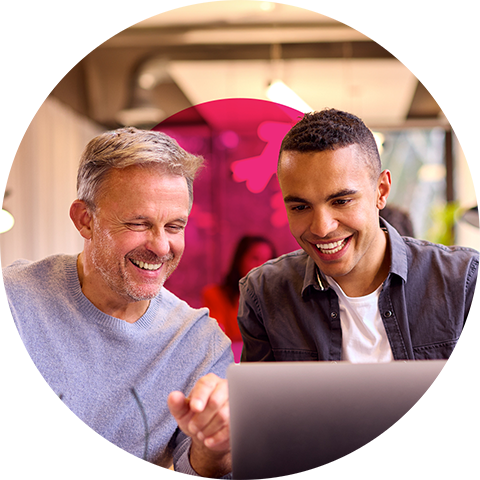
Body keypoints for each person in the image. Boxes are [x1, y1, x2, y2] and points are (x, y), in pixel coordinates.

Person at [0, 127, 233, 478]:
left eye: (174, 226)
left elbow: (198, 472)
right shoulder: (13, 302)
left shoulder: (199, 342)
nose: (160, 246)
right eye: (139, 223)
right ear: (85, 220)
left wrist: (213, 448)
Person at [238, 108, 480, 363]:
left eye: (341, 201)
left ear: (381, 191)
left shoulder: (462, 280)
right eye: (300, 207)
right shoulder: (265, 293)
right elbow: (261, 402)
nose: (322, 228)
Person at [202, 235, 276, 362]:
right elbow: (216, 338)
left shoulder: (278, 298)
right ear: (239, 260)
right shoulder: (215, 294)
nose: (261, 266)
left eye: (267, 261)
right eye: (255, 258)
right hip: (230, 363)